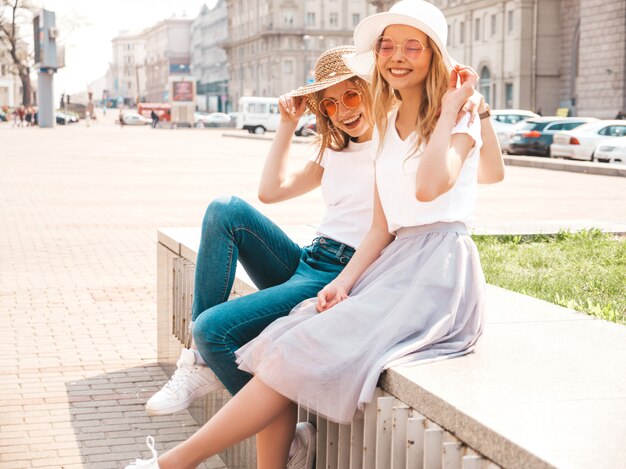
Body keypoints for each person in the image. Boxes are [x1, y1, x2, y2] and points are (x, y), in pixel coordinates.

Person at [128, 6, 502, 463]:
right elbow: (381, 226)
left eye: (412, 46)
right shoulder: (382, 129)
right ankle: (194, 431)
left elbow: (432, 187)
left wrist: (457, 111)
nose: (396, 56)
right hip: (374, 262)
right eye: (387, 46)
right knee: (283, 334)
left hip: (435, 271)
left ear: (434, 56)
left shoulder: (454, 117)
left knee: (283, 342)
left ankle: (171, 462)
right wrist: (341, 284)